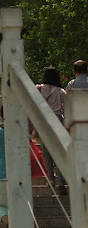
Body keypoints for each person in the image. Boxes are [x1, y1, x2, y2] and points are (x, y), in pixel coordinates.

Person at [36, 67, 68, 195]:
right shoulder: (61, 91)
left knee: (46, 151)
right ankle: (61, 181)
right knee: (59, 152)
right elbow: (67, 106)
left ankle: (50, 178)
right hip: (57, 120)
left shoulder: (38, 88)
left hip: (44, 120)